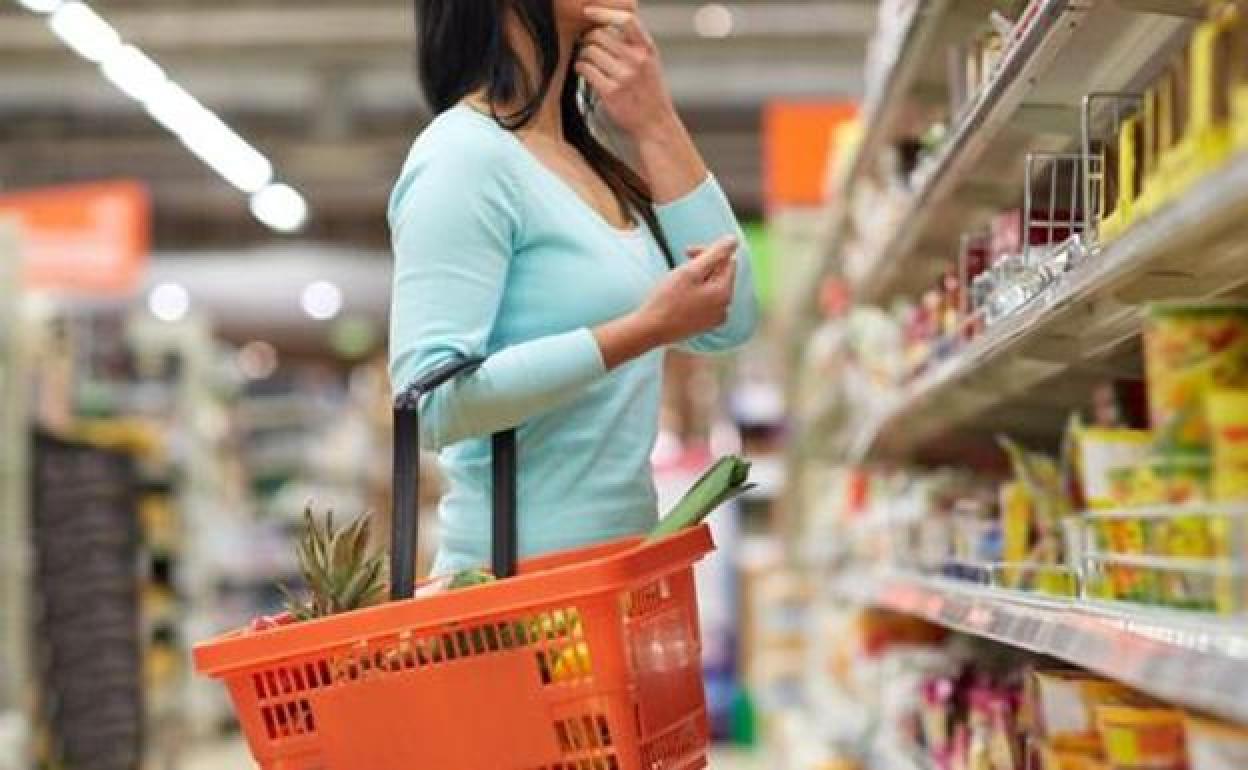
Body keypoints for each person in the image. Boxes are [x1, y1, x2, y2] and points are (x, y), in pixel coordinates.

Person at [389, 0, 759, 576]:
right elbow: (428, 404)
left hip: (622, 579)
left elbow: (729, 317)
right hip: (516, 600)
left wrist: (656, 121)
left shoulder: (587, 163)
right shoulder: (463, 156)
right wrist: (643, 330)